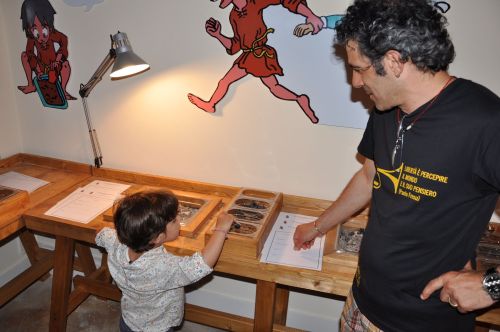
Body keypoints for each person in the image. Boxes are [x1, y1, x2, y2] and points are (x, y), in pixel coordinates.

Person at [292, 0, 500, 331]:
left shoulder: (485, 121)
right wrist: (318, 226)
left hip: (422, 323)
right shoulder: (387, 109)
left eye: (359, 69)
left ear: (394, 61)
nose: (356, 83)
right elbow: (370, 175)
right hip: (361, 304)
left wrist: (491, 286)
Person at [95, 191, 234, 332]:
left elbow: (101, 233)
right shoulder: (163, 266)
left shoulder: (116, 244)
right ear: (158, 238)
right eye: (174, 220)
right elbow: (202, 264)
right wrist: (221, 229)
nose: (179, 219)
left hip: (129, 322)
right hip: (158, 328)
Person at [187, 0, 323, 124]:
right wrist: (218, 35)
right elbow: (235, 45)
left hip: (259, 54)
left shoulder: (254, 3)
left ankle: (299, 99)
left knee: (273, 87)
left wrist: (309, 15)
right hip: (248, 55)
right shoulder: (234, 15)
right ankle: (211, 105)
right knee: (267, 86)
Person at [18, 0, 76, 100]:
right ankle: (31, 85)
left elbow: (63, 40)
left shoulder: (53, 34)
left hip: (54, 66)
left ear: (49, 25)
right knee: (24, 55)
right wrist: (38, 70)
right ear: (29, 30)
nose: (41, 37)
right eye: (35, 31)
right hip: (40, 66)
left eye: (44, 30)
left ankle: (63, 90)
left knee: (66, 65)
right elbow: (30, 53)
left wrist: (58, 60)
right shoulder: (32, 39)